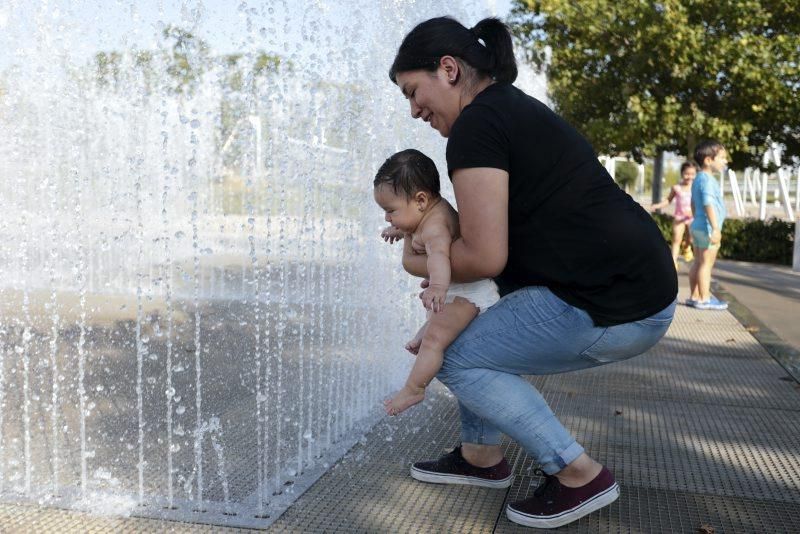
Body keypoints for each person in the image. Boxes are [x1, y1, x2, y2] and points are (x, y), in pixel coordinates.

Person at [388, 16, 677, 529]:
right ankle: (480, 457)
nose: (414, 111)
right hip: (633, 286)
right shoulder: (507, 109)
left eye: (414, 91)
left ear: (448, 69)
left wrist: (413, 260)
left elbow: (483, 257)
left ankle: (577, 473)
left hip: (614, 303)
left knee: (453, 353)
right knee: (472, 329)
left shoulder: (476, 127)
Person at [374, 149, 500, 416]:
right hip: (462, 289)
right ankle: (426, 329)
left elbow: (441, 256)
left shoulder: (434, 227)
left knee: (435, 341)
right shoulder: (427, 214)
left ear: (420, 200)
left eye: (391, 211)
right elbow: (414, 228)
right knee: (435, 315)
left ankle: (415, 388)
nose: (387, 217)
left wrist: (438, 286)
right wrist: (400, 228)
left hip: (469, 293)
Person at [687, 140, 729, 310]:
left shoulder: (698, 179)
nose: (725, 161)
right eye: (722, 158)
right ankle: (705, 298)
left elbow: (693, 203)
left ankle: (695, 296)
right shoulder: (708, 180)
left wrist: (695, 219)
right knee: (706, 264)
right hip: (708, 228)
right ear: (708, 160)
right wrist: (716, 228)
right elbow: (708, 203)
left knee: (697, 262)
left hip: (698, 225)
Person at [651, 161, 697, 269]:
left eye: (692, 174)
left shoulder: (696, 187)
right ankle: (673, 262)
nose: (689, 177)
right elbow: (668, 200)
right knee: (676, 240)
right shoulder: (676, 188)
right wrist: (658, 205)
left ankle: (686, 247)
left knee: (690, 239)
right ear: (682, 173)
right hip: (679, 218)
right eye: (687, 174)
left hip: (692, 218)